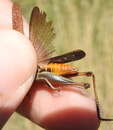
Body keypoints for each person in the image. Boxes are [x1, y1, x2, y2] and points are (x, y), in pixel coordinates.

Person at [0, 0, 100, 130]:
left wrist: (52, 87)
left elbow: (46, 78)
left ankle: (98, 112)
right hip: (45, 68)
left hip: (46, 69)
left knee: (85, 76)